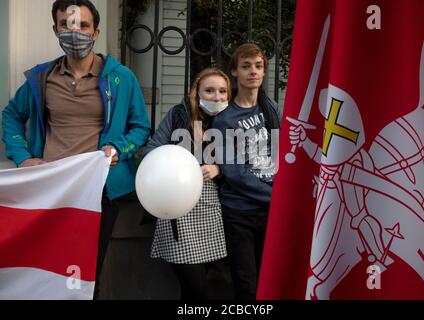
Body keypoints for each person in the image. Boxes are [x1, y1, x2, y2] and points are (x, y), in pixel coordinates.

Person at [1, 0, 151, 299]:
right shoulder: (41, 78)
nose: (75, 32)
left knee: (84, 274)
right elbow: (11, 116)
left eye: (83, 25)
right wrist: (23, 157)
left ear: (96, 32)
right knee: (44, 269)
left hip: (98, 190)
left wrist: (117, 149)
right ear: (55, 29)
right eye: (67, 25)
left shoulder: (121, 78)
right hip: (50, 189)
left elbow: (141, 128)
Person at [141, 68, 229, 300]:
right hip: (177, 209)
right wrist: (179, 164)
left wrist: (219, 168)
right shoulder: (178, 115)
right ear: (196, 92)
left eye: (222, 91)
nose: (216, 97)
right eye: (209, 90)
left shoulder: (232, 119)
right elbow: (152, 150)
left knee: (197, 287)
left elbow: (244, 160)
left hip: (214, 211)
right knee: (195, 287)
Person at [211, 43, 282, 300]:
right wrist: (277, 199)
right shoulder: (225, 119)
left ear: (263, 72)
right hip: (239, 212)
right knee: (246, 283)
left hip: (269, 211)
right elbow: (234, 173)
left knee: (269, 278)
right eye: (246, 66)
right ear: (234, 72)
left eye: (258, 66)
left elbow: (281, 152)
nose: (253, 71)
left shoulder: (270, 108)